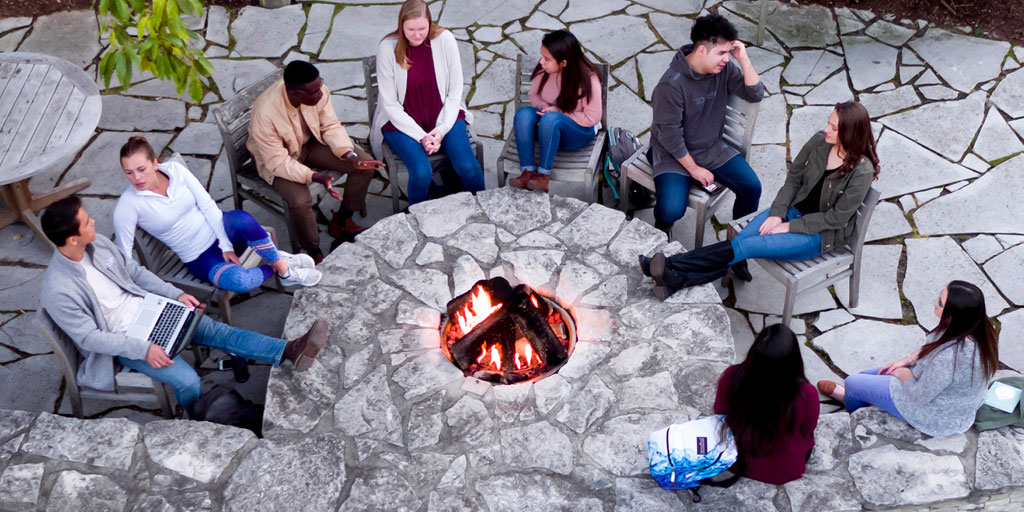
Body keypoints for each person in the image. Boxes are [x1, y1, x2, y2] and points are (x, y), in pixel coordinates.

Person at [39, 196, 328, 417]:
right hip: (127, 340)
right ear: (72, 238)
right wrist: (144, 350)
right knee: (188, 382)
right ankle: (201, 423)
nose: (93, 222)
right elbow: (89, 338)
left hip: (154, 311)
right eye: (86, 221)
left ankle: (287, 351)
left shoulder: (97, 245)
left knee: (220, 332)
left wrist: (175, 294)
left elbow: (136, 273)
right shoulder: (59, 289)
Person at [642, 101, 879, 300]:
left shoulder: (861, 171)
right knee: (742, 243)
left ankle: (670, 264)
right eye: (829, 122)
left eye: (834, 127)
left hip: (817, 235)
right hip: (790, 211)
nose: (827, 128)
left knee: (745, 246)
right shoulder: (820, 142)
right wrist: (777, 212)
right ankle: (673, 279)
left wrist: (788, 226)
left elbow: (836, 219)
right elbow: (794, 178)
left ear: (849, 133)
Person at [113, 136, 321, 292]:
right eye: (128, 173)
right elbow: (124, 255)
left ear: (155, 163)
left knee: (241, 219)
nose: (136, 178)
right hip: (199, 257)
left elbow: (207, 205)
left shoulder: (175, 171)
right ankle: (276, 264)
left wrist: (225, 245)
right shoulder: (128, 205)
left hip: (220, 232)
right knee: (241, 282)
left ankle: (285, 271)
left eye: (141, 169)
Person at [649, 13, 764, 263]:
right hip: (673, 155)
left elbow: (755, 94)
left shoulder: (723, 69)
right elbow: (669, 135)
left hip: (712, 149)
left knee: (751, 187)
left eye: (729, 52)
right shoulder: (671, 85)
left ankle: (738, 248)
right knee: (670, 210)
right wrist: (694, 169)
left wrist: (743, 58)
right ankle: (660, 230)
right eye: (722, 52)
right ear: (702, 50)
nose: (727, 58)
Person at [818, 281, 999, 438]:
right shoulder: (975, 330)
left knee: (853, 383)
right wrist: (908, 359)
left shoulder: (951, 359)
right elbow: (933, 348)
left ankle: (856, 410)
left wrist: (903, 373)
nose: (934, 302)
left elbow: (919, 396)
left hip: (933, 411)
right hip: (929, 382)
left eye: (941, 303)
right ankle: (860, 397)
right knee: (864, 376)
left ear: (952, 315)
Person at [247, 60, 384, 264]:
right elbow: (277, 161)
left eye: (320, 85)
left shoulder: (317, 90)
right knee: (300, 201)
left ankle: (343, 220)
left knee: (363, 164)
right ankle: (313, 250)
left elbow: (330, 125)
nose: (321, 94)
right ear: (296, 94)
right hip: (278, 160)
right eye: (315, 92)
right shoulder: (265, 114)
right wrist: (314, 176)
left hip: (310, 144)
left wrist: (349, 155)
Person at [370, 0, 485, 205]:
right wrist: (422, 137)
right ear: (401, 25)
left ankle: (484, 208)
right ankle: (417, 220)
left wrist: (441, 130)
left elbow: (454, 92)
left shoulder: (445, 40)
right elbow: (390, 105)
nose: (416, 35)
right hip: (400, 122)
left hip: (443, 113)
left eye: (422, 29)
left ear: (430, 23)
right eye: (411, 29)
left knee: (468, 166)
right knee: (421, 171)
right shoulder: (388, 48)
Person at [714, 324, 819, 485]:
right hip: (782, 469)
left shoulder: (731, 377)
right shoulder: (807, 394)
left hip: (736, 460)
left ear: (753, 353)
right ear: (794, 360)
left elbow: (720, 412)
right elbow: (807, 429)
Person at [509, 30, 602, 193]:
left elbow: (592, 117)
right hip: (547, 127)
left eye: (547, 59)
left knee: (551, 120)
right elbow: (534, 95)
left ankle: (544, 176)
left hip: (578, 133)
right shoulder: (543, 71)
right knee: (523, 115)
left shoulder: (588, 80)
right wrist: (545, 108)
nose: (541, 62)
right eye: (542, 56)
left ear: (563, 63)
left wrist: (558, 112)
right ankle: (528, 171)